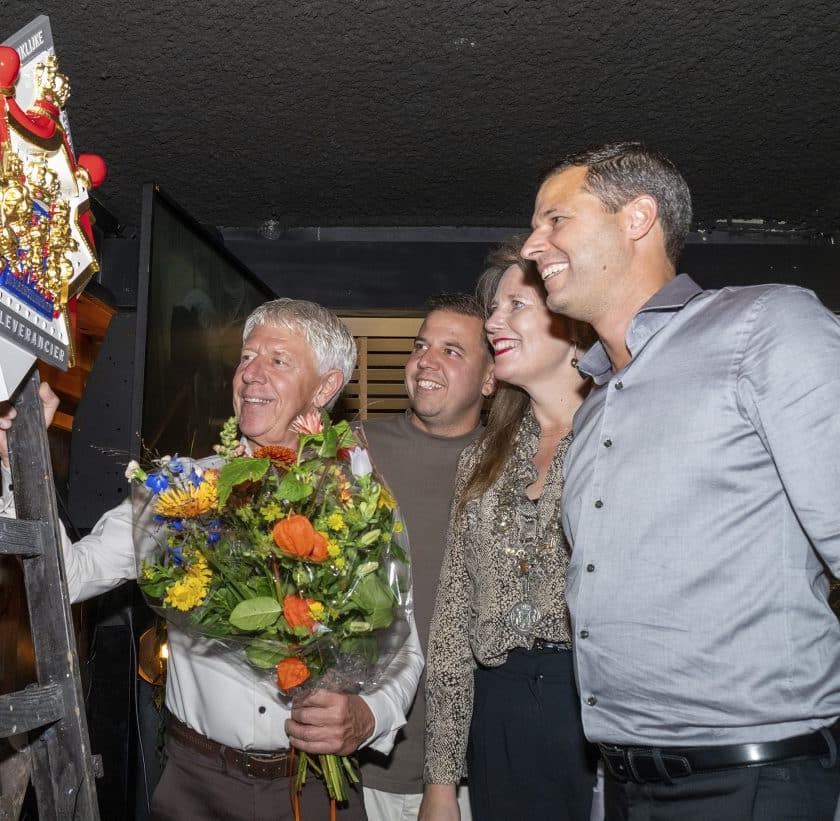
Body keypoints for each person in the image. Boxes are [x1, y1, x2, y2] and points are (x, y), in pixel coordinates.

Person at [0, 298, 424, 821]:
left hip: (316, 793)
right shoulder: (180, 491)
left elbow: (403, 645)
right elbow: (68, 578)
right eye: (246, 357)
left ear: (325, 387)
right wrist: (24, 462)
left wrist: (369, 714)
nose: (250, 375)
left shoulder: (359, 503)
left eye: (277, 361)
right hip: (196, 785)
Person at [521, 141, 840, 820]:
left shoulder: (764, 326)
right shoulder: (596, 405)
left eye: (554, 219)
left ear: (637, 218)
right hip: (627, 784)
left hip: (754, 777)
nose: (531, 245)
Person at [421, 241, 596, 820]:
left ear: (570, 321)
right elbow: (451, 618)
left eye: (514, 305)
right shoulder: (482, 458)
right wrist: (442, 782)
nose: (492, 321)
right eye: (493, 308)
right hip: (498, 713)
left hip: (595, 710)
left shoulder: (618, 435)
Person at [357, 293, 497, 821]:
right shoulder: (354, 447)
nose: (426, 361)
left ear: (490, 379)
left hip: (465, 769)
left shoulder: (510, 465)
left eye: (452, 351)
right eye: (421, 346)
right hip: (356, 755)